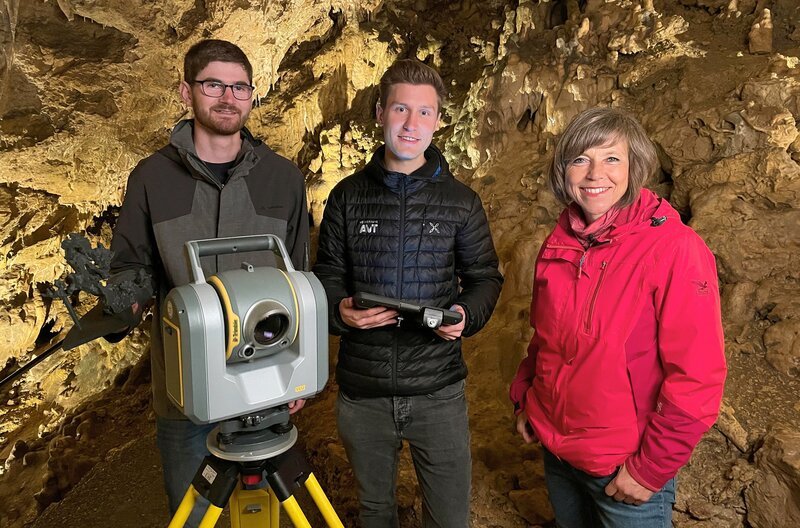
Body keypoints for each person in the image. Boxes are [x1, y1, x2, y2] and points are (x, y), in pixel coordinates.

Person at [108, 39, 310, 526]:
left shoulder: (283, 179)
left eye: (240, 87)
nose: (228, 97)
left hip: (267, 382)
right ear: (186, 92)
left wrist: (301, 367)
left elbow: (301, 278)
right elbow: (130, 266)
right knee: (193, 513)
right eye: (214, 84)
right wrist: (120, 306)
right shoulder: (151, 178)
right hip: (187, 392)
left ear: (251, 96)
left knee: (262, 513)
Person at [509, 107, 727, 527]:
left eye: (611, 159)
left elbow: (698, 376)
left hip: (623, 469)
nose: (595, 174)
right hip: (558, 457)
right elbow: (544, 341)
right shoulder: (559, 244)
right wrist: (527, 401)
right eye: (580, 159)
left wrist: (650, 469)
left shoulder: (674, 249)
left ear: (635, 167)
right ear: (564, 170)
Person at [313, 59, 503, 527]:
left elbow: (485, 278)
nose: (411, 124)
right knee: (376, 511)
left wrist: (464, 314)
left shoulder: (461, 201)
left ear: (439, 121)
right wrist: (340, 312)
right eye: (401, 109)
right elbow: (327, 275)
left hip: (437, 391)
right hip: (363, 393)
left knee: (448, 516)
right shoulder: (346, 197)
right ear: (380, 113)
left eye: (424, 112)